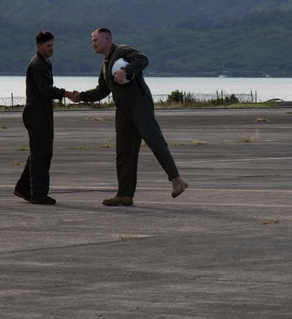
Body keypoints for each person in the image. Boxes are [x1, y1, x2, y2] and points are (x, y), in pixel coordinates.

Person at [71, 28, 187, 206]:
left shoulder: (122, 51)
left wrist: (127, 70)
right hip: (123, 111)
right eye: (92, 41)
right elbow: (101, 91)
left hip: (140, 105)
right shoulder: (105, 65)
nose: (92, 44)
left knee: (155, 141)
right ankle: (125, 194)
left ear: (107, 39)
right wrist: (81, 97)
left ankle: (176, 180)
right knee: (124, 152)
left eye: (95, 40)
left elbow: (143, 59)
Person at [14, 31, 72, 205]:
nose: (52, 49)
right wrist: (66, 93)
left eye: (53, 45)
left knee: (40, 153)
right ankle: (39, 193)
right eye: (48, 46)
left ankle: (24, 188)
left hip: (43, 113)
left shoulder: (46, 63)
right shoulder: (37, 64)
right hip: (36, 113)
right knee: (41, 154)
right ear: (39, 46)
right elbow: (45, 90)